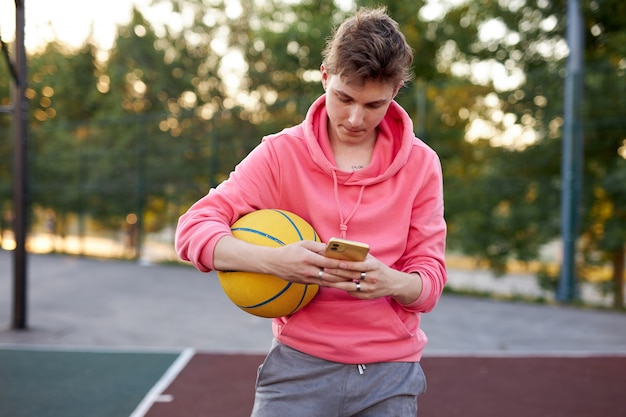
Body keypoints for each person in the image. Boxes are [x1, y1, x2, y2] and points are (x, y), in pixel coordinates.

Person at [176, 6, 447, 417]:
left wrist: (390, 282)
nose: (356, 118)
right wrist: (275, 262)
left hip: (389, 373)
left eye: (373, 105)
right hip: (297, 368)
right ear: (325, 77)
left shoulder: (422, 165)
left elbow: (429, 282)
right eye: (344, 98)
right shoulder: (280, 155)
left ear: (395, 91)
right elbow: (192, 230)